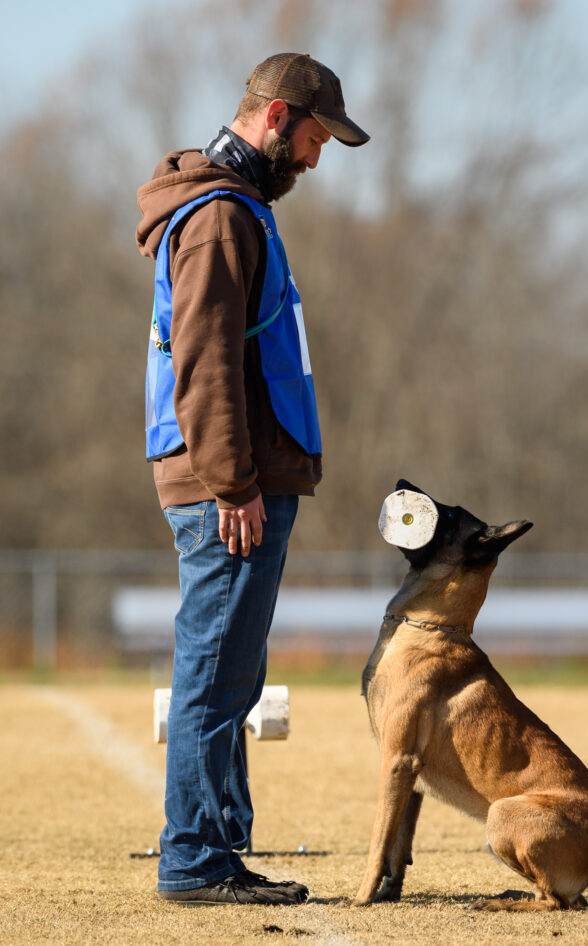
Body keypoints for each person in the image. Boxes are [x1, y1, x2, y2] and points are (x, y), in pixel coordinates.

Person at [136, 53, 369, 906]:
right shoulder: (221, 218)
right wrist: (233, 483)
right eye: (314, 138)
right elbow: (203, 362)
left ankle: (219, 843)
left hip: (237, 481)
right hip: (224, 490)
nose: (315, 159)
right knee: (215, 669)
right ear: (276, 119)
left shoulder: (236, 212)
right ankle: (194, 859)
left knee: (233, 664)